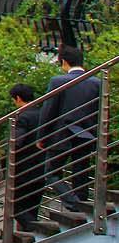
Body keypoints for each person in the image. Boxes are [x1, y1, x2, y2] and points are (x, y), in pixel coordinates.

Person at [39, 45, 103, 212]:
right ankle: (82, 204)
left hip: (61, 134)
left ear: (64, 62)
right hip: (87, 134)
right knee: (81, 172)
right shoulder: (97, 83)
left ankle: (73, 204)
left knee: (51, 172)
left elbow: (49, 111)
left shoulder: (58, 81)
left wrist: (42, 137)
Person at [10, 83, 48, 231]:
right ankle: (32, 234)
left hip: (23, 168)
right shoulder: (43, 114)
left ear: (18, 98)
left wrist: (5, 163)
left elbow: (16, 143)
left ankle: (36, 229)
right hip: (42, 166)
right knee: (32, 207)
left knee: (14, 205)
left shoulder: (23, 117)